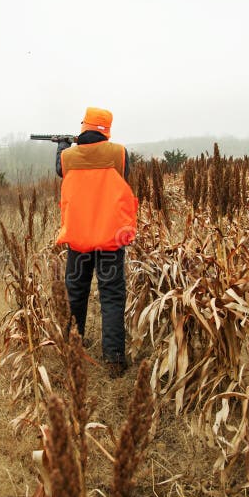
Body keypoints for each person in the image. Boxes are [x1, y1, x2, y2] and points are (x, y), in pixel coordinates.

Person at [54, 107, 138, 378]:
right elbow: (123, 174)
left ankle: (72, 347)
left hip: (79, 240)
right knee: (112, 296)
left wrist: (64, 145)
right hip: (111, 239)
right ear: (107, 130)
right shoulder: (119, 154)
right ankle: (113, 359)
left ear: (83, 127)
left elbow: (60, 169)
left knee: (75, 293)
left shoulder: (67, 157)